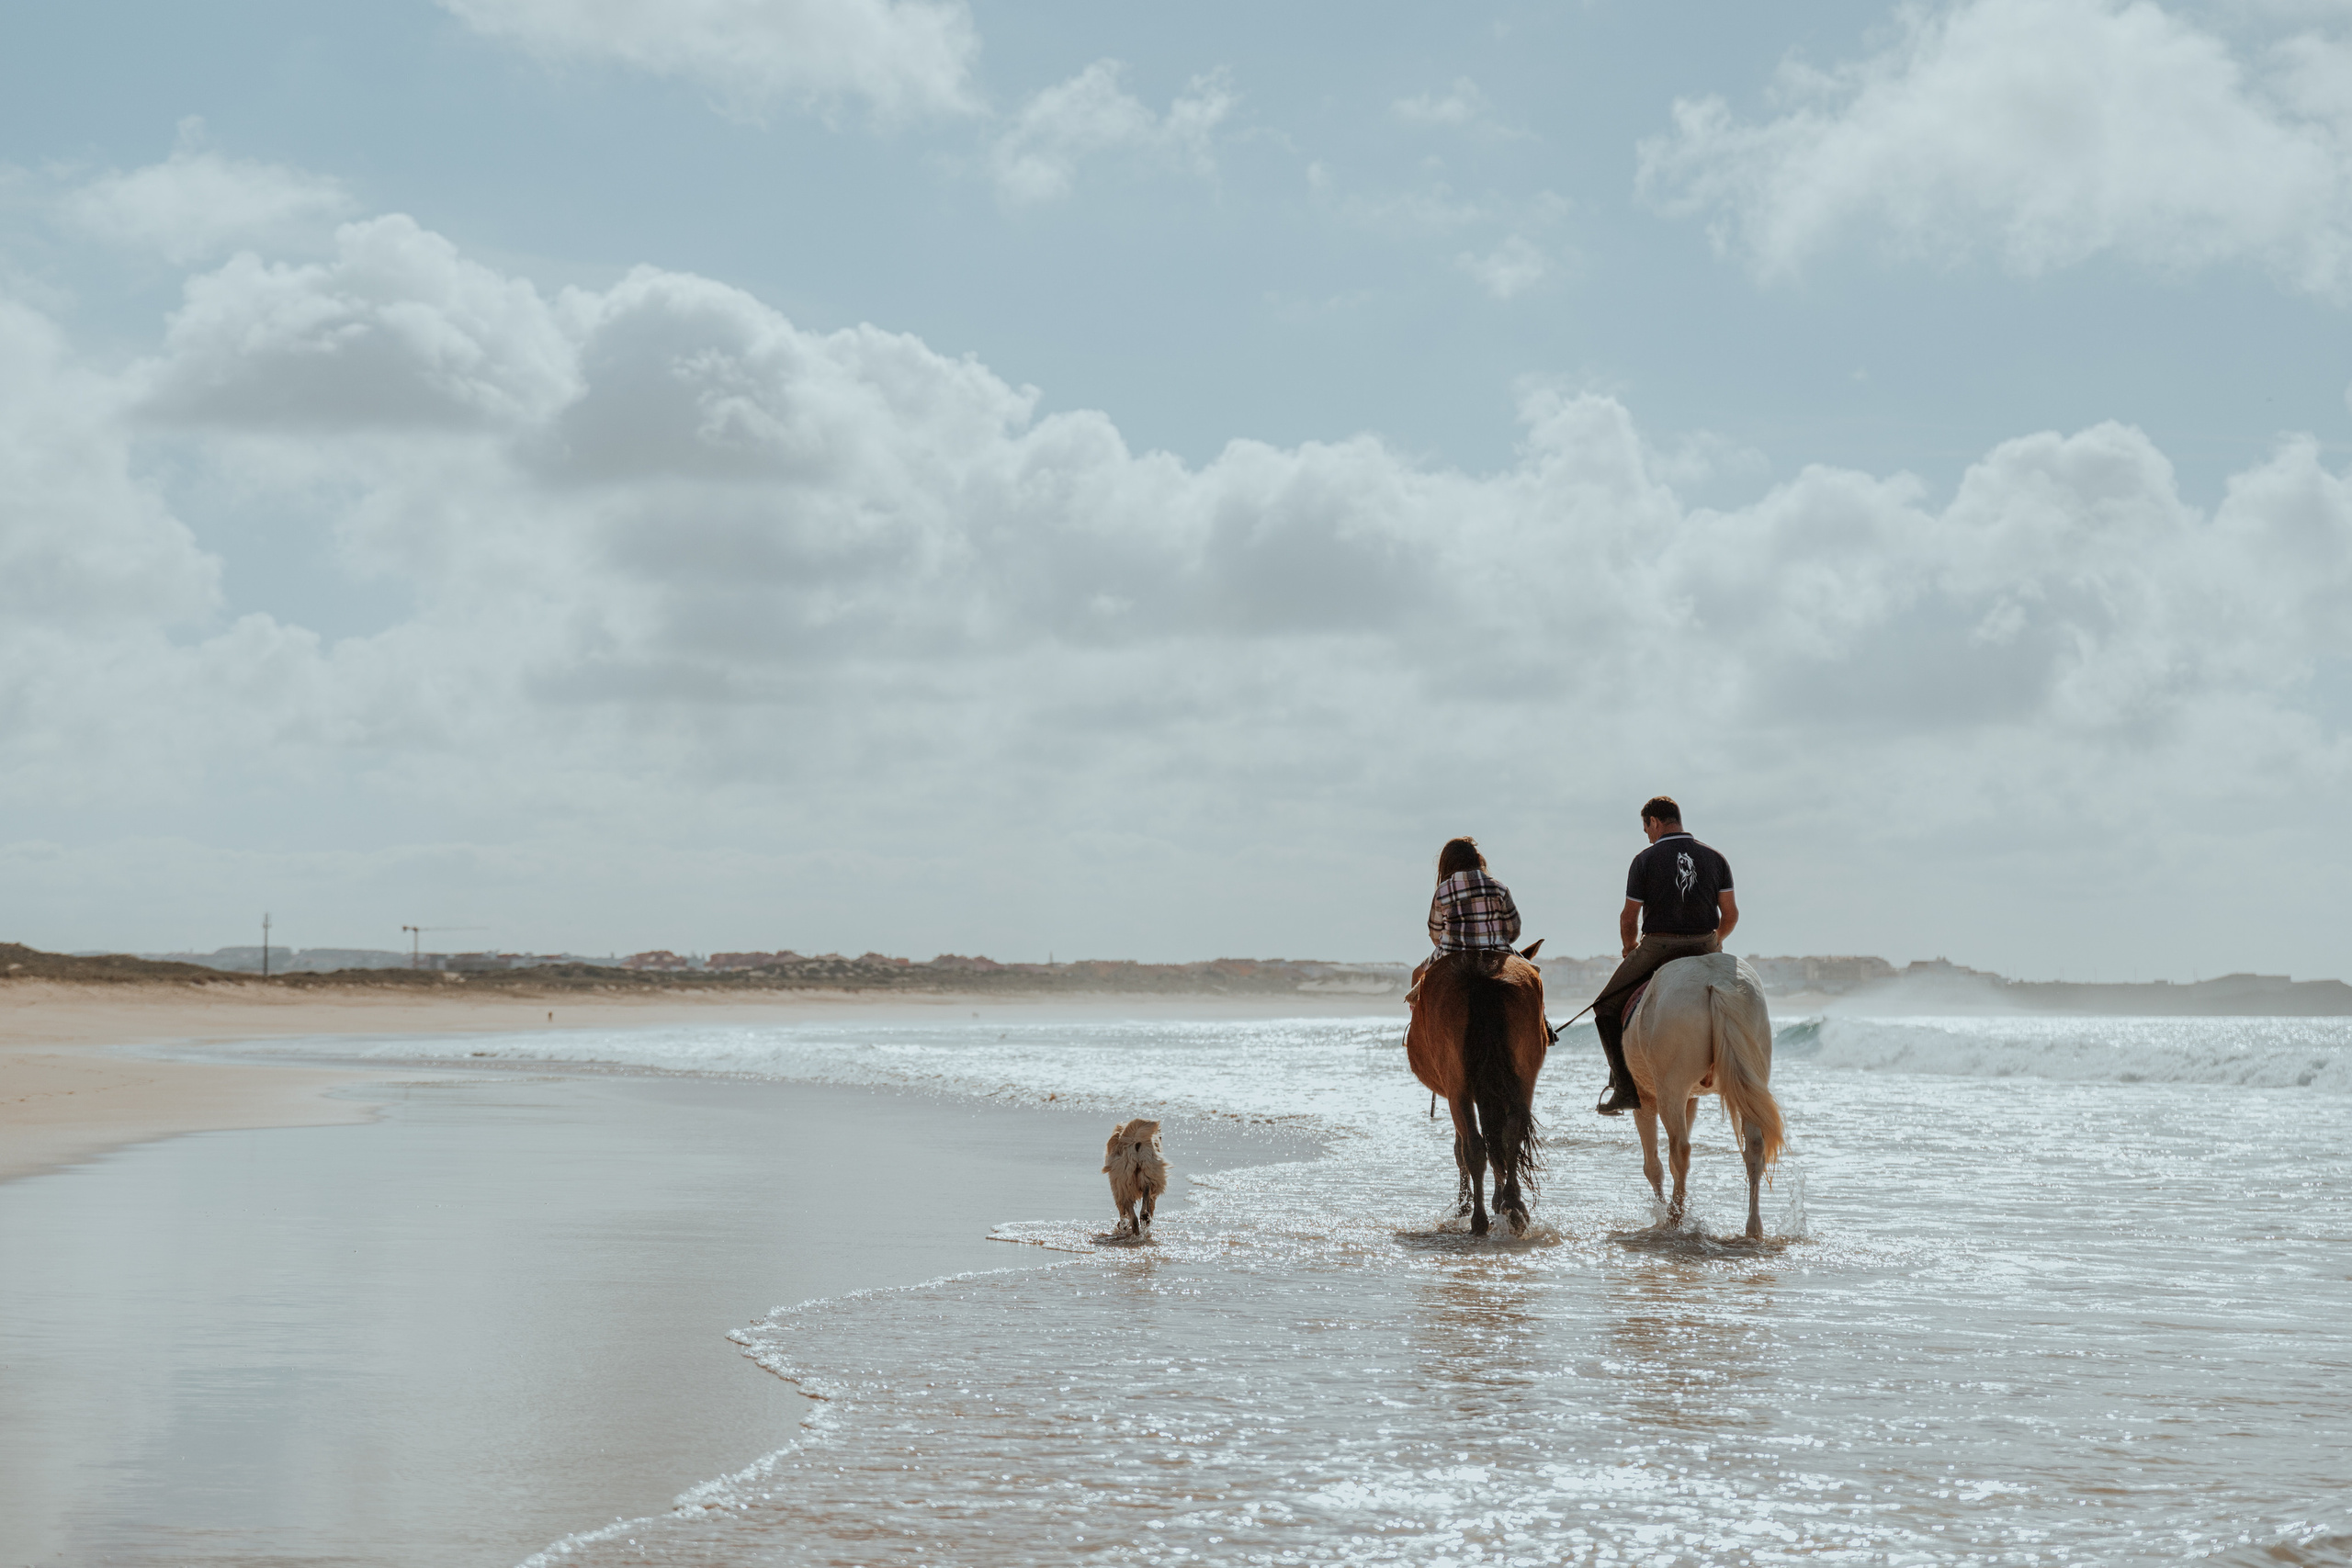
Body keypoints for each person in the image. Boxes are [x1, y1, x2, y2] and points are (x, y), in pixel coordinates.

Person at [1588, 795, 1737, 1115]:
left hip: (1659, 946)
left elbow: (1628, 919)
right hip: (1705, 944)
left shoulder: (1644, 860)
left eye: (1647, 829)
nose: (1649, 836)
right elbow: (1731, 914)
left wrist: (1630, 950)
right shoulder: (1716, 858)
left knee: (1604, 1005)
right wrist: (1715, 940)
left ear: (1654, 822)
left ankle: (1625, 1089)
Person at [1408, 836, 1521, 1006]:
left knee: (1417, 974)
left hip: (1453, 954)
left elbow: (1435, 933)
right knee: (1533, 977)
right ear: (1477, 861)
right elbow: (1514, 929)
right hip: (1496, 952)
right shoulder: (1499, 888)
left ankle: (1418, 1027)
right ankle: (1544, 1025)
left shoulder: (1443, 890)